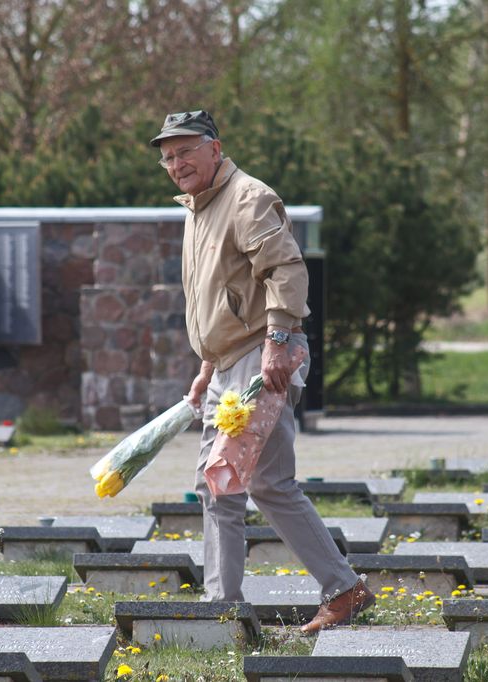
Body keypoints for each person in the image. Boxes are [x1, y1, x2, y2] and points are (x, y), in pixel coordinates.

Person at [150, 110, 373, 634]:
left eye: (185, 151)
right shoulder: (198, 208)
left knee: (260, 483)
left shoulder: (248, 197)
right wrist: (206, 367)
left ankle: (328, 590)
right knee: (222, 485)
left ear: (214, 148)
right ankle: (226, 607)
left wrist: (277, 343)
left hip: (260, 357)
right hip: (228, 364)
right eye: (168, 157)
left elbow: (285, 271)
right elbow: (223, 298)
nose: (177, 164)